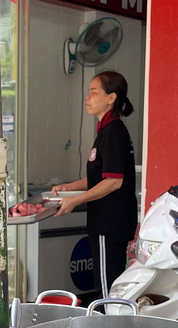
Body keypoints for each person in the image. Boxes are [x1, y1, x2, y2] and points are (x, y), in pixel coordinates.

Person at [52, 70, 138, 295]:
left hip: (108, 224)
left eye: (93, 92)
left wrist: (75, 201)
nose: (87, 98)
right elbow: (100, 176)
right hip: (111, 224)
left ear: (111, 98)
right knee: (111, 284)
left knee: (107, 289)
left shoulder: (113, 133)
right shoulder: (108, 131)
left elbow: (113, 182)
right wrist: (68, 188)